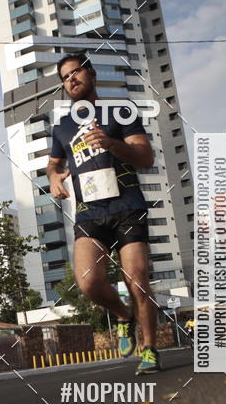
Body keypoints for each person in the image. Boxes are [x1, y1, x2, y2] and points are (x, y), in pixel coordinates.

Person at [47, 50, 160, 375]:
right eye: (65, 77)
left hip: (127, 206)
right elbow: (53, 165)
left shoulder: (120, 112)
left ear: (91, 73)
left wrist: (111, 144)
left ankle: (149, 349)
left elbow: (145, 157)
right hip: (89, 213)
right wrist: (54, 177)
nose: (71, 79)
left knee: (137, 279)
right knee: (88, 283)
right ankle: (124, 317)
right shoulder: (63, 127)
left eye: (76, 72)